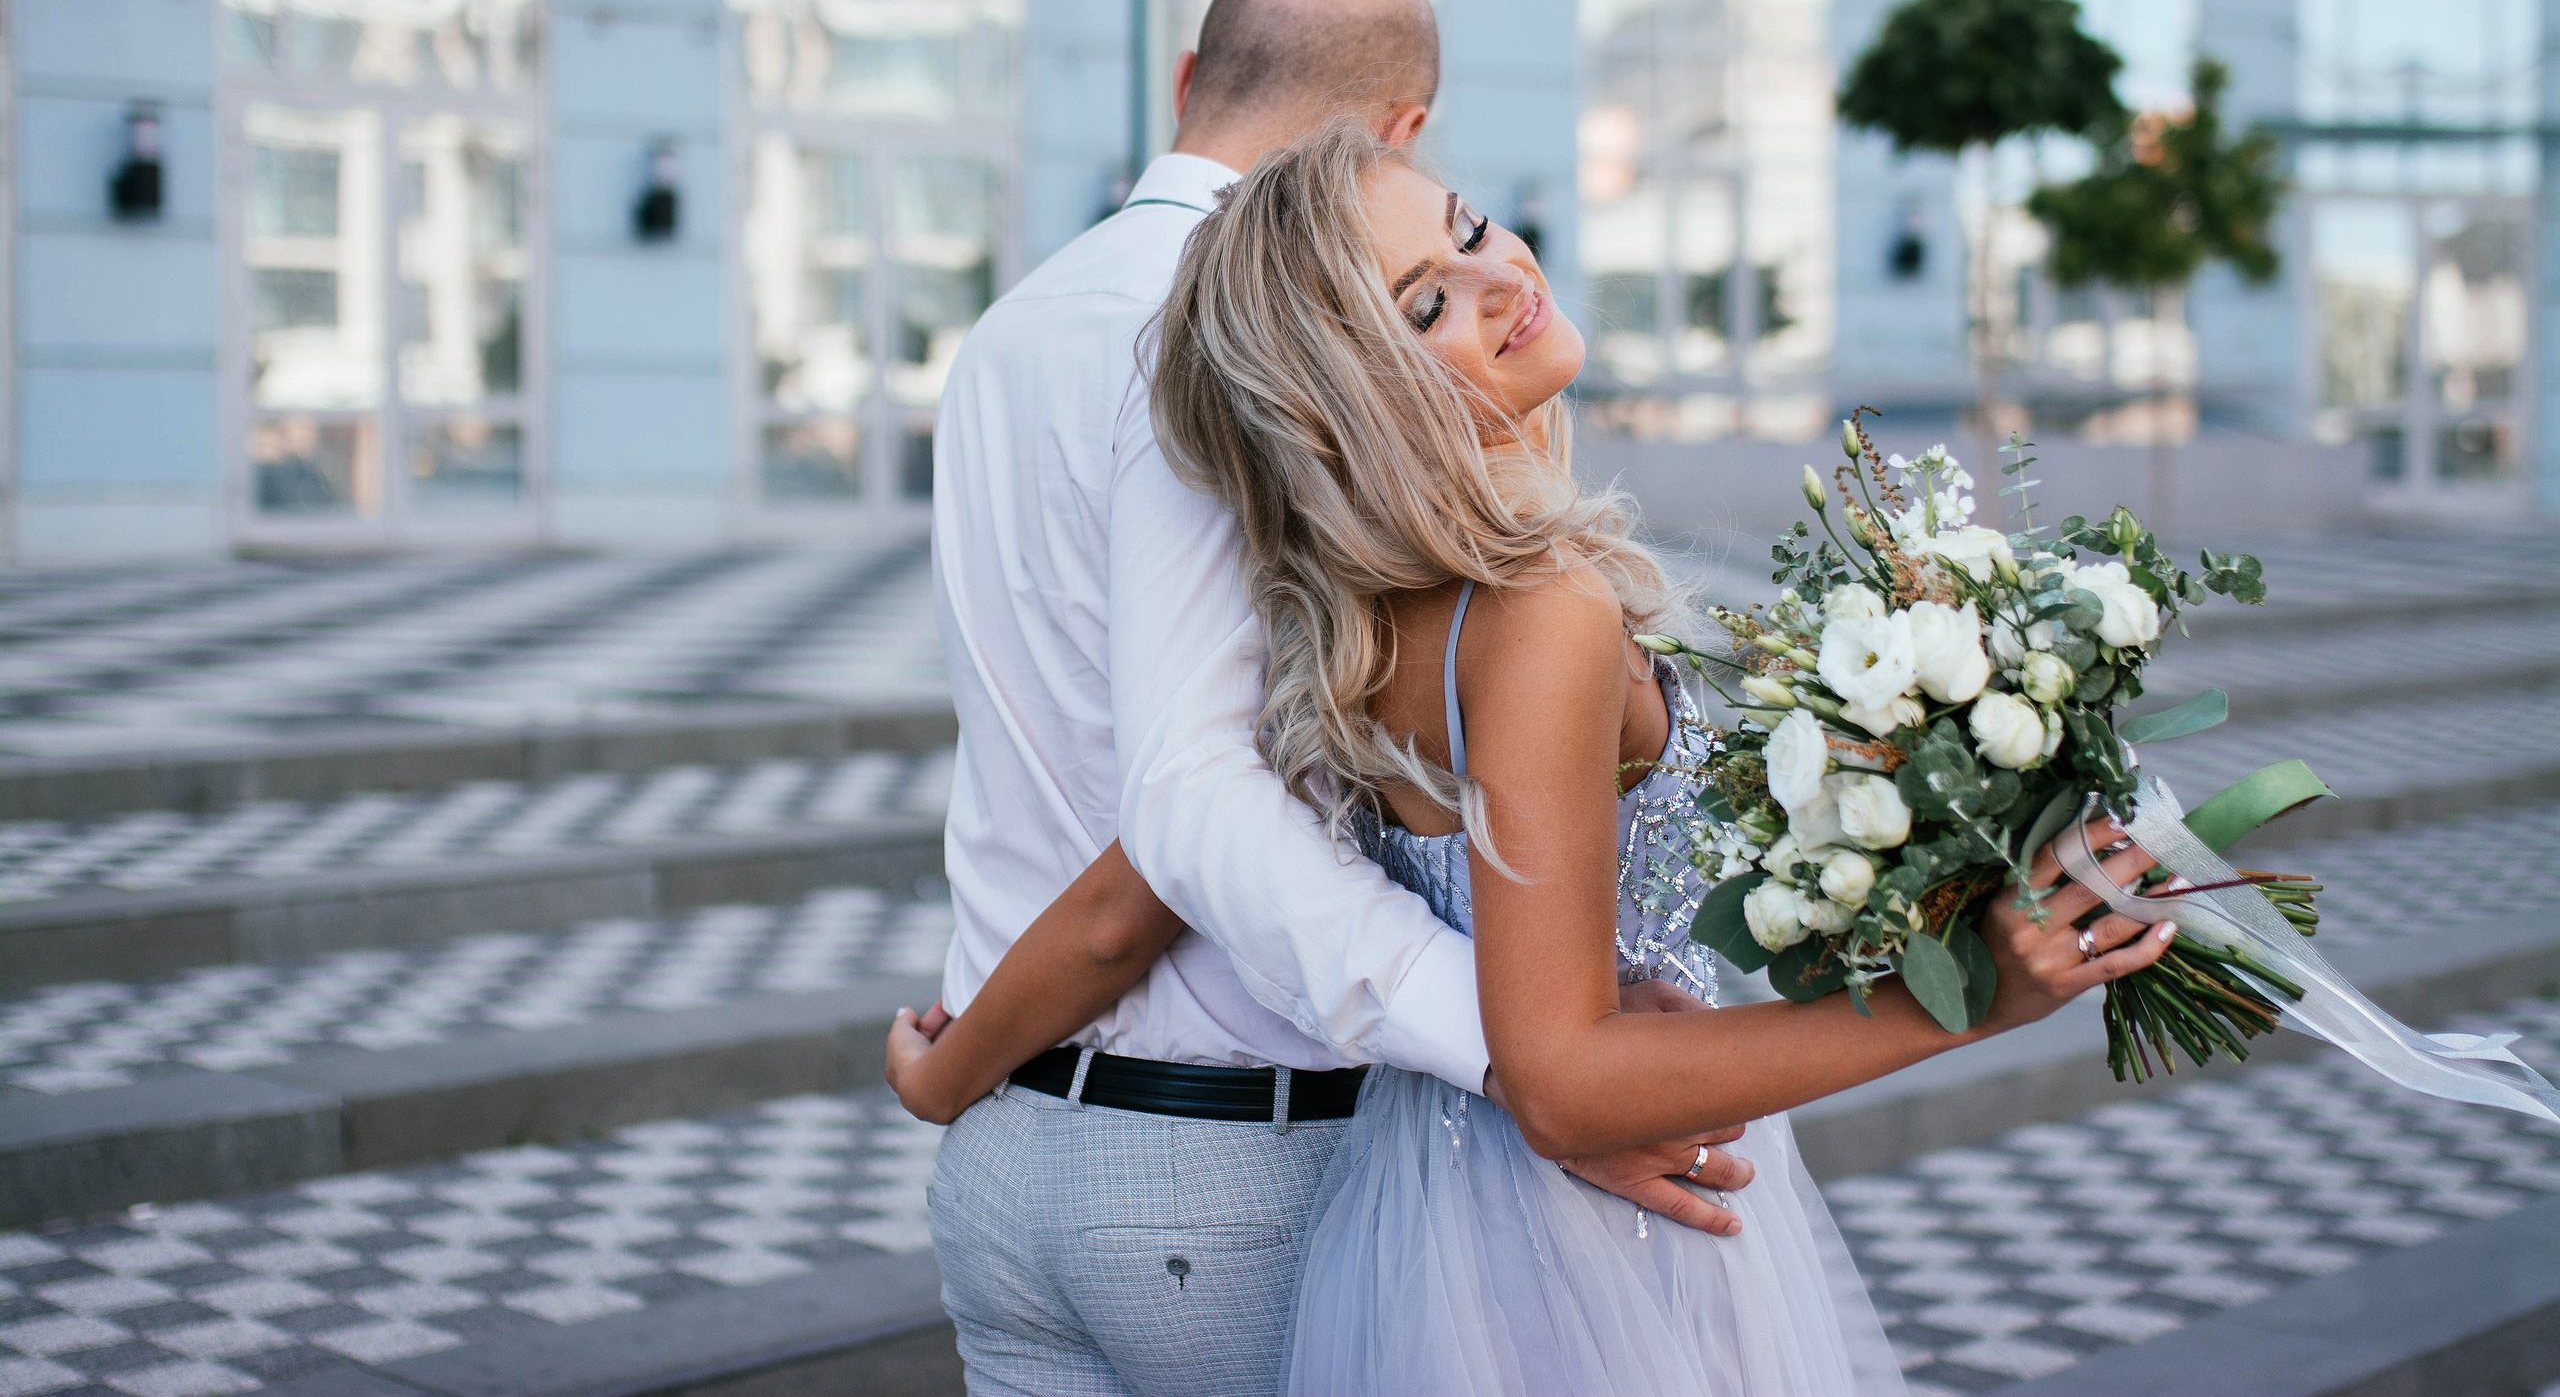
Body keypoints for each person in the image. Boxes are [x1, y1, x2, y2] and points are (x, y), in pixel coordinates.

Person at [894, 122, 2180, 1394]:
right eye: (1424, 308)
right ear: (1347, 401)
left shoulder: (1356, 623)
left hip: (1427, 1213)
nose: (1504, 278)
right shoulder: (1540, 615)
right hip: (1581, 1246)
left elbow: (1146, 877)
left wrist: (947, 1070)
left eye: (1467, 228)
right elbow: (1563, 1081)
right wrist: (1967, 1003)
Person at [913, 0, 1752, 1397]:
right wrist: (1534, 1049)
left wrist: (958, 1058)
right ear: (1399, 133)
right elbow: (1182, 808)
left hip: (1010, 1151)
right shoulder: (1236, 331)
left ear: (1190, 78)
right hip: (1241, 1156)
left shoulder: (1006, 329)